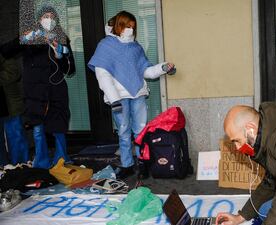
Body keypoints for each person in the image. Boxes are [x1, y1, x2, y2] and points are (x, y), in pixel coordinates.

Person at [88, 11, 176, 179]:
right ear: (118, 25)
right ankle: (127, 164)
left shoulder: (136, 47)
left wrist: (163, 68)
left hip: (138, 93)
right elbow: (102, 74)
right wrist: (113, 99)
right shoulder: (106, 45)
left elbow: (146, 71)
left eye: (132, 27)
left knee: (141, 131)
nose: (130, 30)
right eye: (127, 26)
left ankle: (143, 163)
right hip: (119, 97)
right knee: (123, 132)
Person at [0, 5, 75, 169]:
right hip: (35, 91)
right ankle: (41, 164)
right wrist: (23, 39)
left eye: (52, 16)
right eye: (45, 16)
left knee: (58, 127)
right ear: (39, 20)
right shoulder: (30, 37)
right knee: (38, 129)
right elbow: (5, 50)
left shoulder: (61, 37)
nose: (49, 19)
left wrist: (60, 56)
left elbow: (70, 69)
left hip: (56, 90)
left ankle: (62, 160)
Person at [0, 53, 29, 165]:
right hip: (7, 106)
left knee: (17, 139)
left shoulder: (4, 50)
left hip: (9, 107)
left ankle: (21, 168)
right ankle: (3, 171)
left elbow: (14, 72)